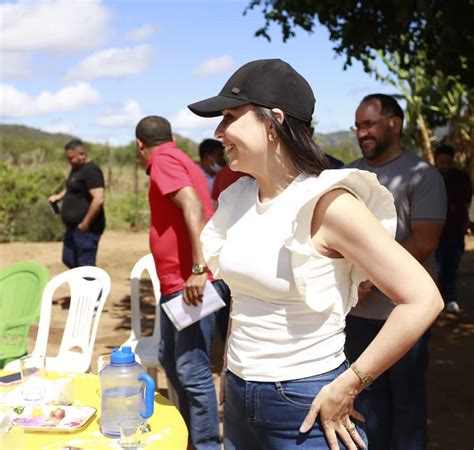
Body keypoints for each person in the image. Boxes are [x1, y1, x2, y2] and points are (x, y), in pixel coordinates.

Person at [187, 59, 444, 450]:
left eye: (229, 117)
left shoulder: (328, 203)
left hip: (304, 404)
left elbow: (423, 299)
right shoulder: (237, 197)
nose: (219, 132)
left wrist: (351, 382)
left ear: (272, 122)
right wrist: (230, 375)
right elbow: (242, 301)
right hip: (240, 397)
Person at [344, 93, 447, 450]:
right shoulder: (349, 175)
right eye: (357, 126)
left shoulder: (422, 175)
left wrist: (371, 275)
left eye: (369, 124)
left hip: (404, 314)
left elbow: (425, 241)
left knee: (407, 405)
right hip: (356, 315)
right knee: (365, 403)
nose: (362, 133)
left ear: (395, 124)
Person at [134, 116, 231, 450]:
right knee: (171, 359)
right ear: (171, 137)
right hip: (179, 284)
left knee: (192, 368)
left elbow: (191, 205)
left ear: (139, 146)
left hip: (189, 284)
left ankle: (203, 444)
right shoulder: (180, 158)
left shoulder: (161, 160)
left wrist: (198, 267)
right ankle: (190, 436)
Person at [48, 139, 105, 268]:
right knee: (69, 259)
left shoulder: (91, 171)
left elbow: (98, 199)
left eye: (71, 158)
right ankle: (80, 287)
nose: (70, 161)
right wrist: (59, 196)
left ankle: (95, 288)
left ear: (82, 154)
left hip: (87, 229)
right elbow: (71, 186)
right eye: (68, 158)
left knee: (86, 266)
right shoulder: (76, 168)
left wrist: (85, 224)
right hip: (72, 228)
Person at [434, 144, 472, 313]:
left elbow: (467, 199)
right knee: (436, 268)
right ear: (436, 161)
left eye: (448, 162)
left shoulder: (461, 177)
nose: (445, 166)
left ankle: (450, 298)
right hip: (435, 233)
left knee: (452, 267)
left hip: (456, 231)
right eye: (441, 162)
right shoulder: (430, 178)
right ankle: (434, 301)